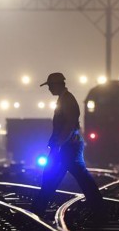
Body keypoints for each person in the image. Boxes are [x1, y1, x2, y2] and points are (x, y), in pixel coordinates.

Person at [31, 72, 104, 216]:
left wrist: (58, 143)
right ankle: (100, 210)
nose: (49, 88)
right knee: (58, 177)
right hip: (67, 146)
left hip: (67, 146)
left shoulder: (67, 100)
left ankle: (37, 210)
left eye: (50, 85)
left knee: (52, 176)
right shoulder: (63, 99)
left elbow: (69, 124)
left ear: (58, 85)